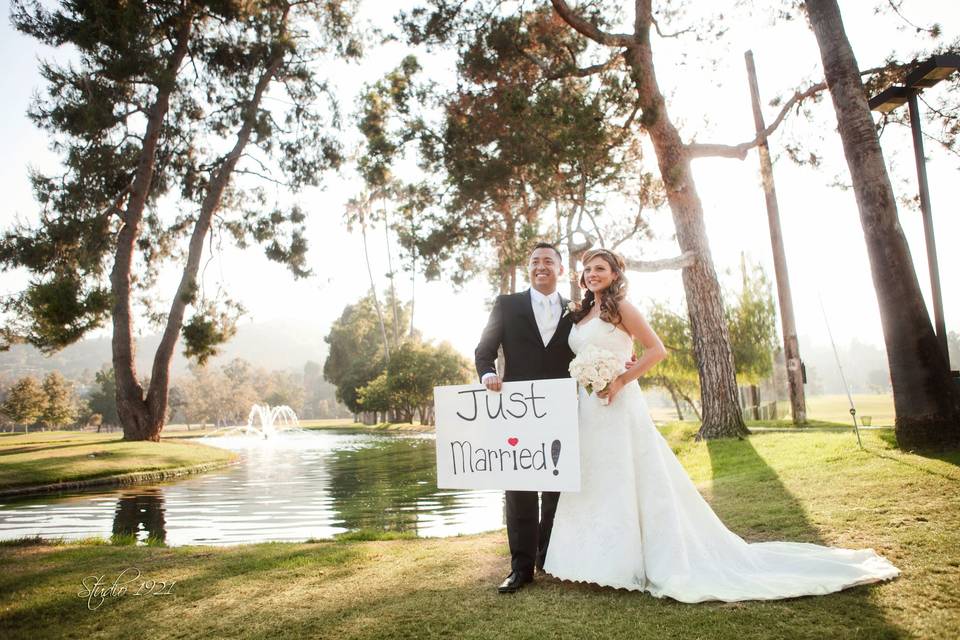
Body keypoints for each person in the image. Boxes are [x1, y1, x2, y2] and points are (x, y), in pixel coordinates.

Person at [543, 247, 900, 602]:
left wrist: (621, 378)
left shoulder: (622, 309)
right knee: (596, 476)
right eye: (588, 269)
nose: (592, 274)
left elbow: (657, 350)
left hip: (620, 404)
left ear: (615, 274)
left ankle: (624, 564)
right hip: (589, 408)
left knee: (624, 476)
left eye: (600, 268)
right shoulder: (581, 313)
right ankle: (588, 563)